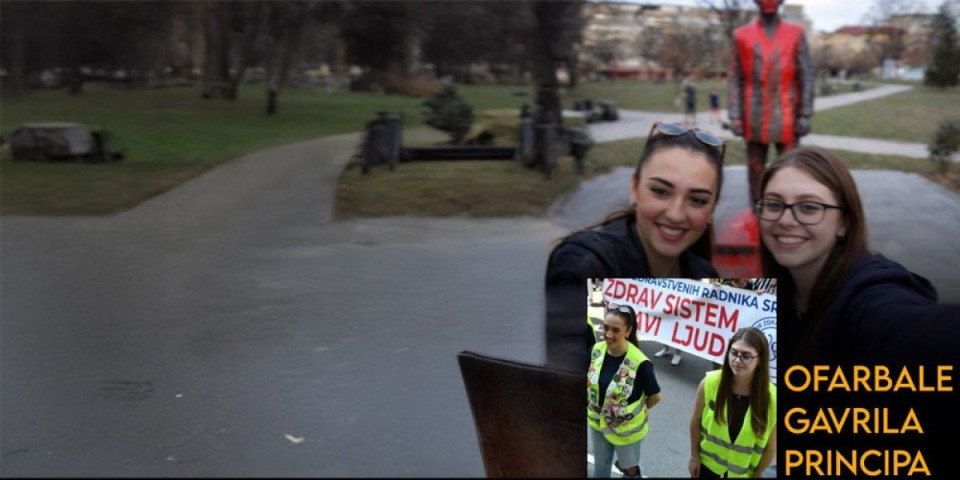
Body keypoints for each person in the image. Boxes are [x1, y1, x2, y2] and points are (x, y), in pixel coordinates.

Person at [545, 121, 725, 373]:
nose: (675, 214)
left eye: (697, 200)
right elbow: (565, 382)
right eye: (660, 191)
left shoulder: (704, 276)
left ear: (712, 209)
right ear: (634, 188)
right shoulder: (584, 263)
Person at [755, 146, 960, 366]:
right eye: (774, 204)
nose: (785, 220)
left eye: (809, 207)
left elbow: (908, 330)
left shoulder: (869, 295)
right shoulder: (763, 297)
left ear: (844, 223)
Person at [729, 0, 814, 203]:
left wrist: (805, 113)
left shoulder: (795, 33)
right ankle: (757, 206)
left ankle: (789, 204)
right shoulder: (741, 35)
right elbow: (735, 77)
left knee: (790, 166)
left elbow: (806, 75)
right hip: (754, 114)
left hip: (787, 114)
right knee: (755, 166)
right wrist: (735, 115)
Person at [688, 327, 776, 478]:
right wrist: (694, 456)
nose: (737, 360)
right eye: (734, 353)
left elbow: (770, 445)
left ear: (760, 360)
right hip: (707, 466)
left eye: (746, 356)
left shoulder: (772, 397)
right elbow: (695, 422)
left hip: (742, 473)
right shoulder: (709, 383)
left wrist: (758, 475)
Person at [588, 304, 662, 478]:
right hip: (598, 423)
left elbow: (655, 396)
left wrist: (630, 414)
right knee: (601, 463)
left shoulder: (641, 363)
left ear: (628, 331)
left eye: (616, 330)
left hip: (626, 430)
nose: (608, 334)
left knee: (629, 468)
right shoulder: (595, 350)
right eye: (606, 328)